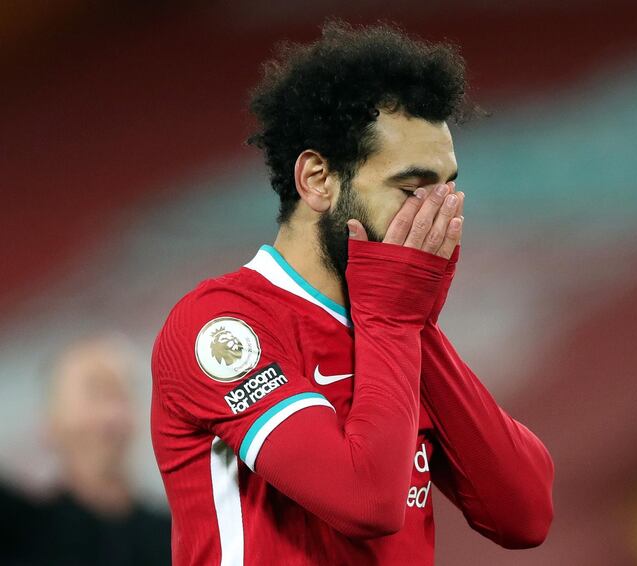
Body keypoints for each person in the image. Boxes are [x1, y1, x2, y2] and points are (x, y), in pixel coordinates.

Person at [151, 20, 554, 565]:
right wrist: (394, 319)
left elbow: (523, 513)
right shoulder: (221, 325)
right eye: (412, 189)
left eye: (447, 187)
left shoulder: (391, 321)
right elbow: (366, 504)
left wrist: (417, 325)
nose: (437, 214)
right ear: (317, 179)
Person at [0, 334, 171, 566]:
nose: (110, 413)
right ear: (49, 422)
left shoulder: (174, 536)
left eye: (120, 393)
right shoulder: (21, 531)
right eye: (95, 392)